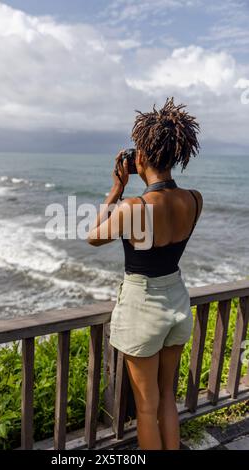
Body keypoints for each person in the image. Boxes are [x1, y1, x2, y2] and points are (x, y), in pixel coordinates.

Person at [87, 97, 203, 450]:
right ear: (176, 154)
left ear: (140, 157)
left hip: (143, 305)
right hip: (177, 302)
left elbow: (93, 237)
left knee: (147, 405)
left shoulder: (133, 208)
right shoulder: (194, 199)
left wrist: (116, 190)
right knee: (167, 396)